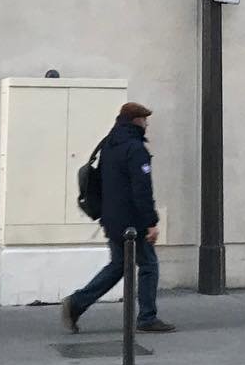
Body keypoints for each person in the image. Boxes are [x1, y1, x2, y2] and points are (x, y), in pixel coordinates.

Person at [61, 102, 176, 334]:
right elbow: (142, 189)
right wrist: (151, 222)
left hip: (111, 218)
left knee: (118, 266)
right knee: (149, 265)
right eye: (145, 120)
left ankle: (76, 303)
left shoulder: (109, 144)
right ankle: (147, 317)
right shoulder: (135, 149)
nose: (147, 124)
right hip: (132, 221)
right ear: (136, 121)